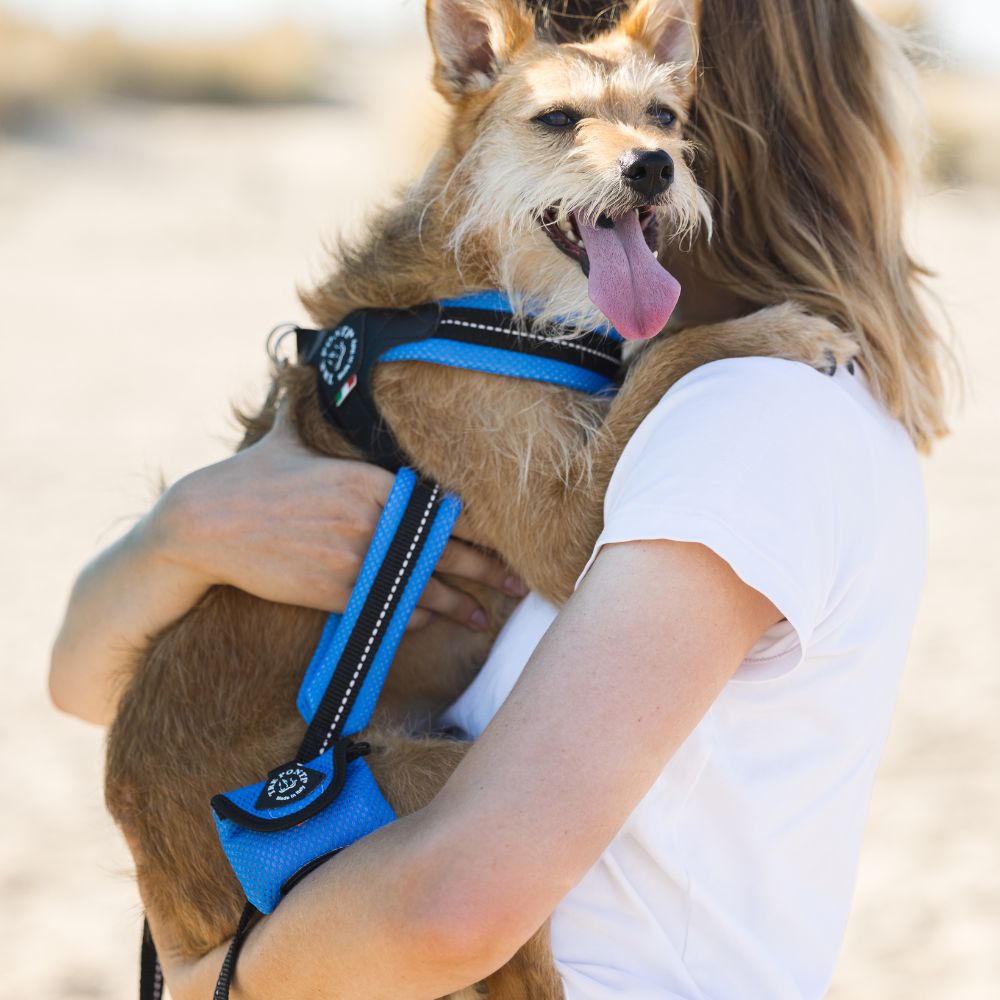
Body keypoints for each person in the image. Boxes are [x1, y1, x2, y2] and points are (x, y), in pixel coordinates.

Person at [49, 0, 951, 997]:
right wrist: (187, 530)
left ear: (721, 122)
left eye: (663, 117)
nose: (637, 148)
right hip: (283, 837)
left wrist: (218, 983)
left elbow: (454, 905)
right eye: (560, 119)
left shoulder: (751, 415)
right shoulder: (492, 354)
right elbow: (86, 687)